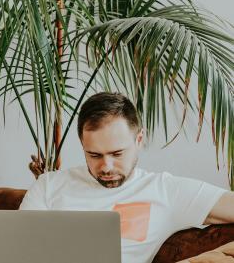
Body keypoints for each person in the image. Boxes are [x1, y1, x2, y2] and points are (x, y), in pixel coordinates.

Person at [19, 92, 234, 263]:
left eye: (117, 153)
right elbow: (18, 251)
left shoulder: (166, 191)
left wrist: (213, 257)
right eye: (94, 155)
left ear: (139, 139)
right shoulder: (48, 185)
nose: (106, 166)